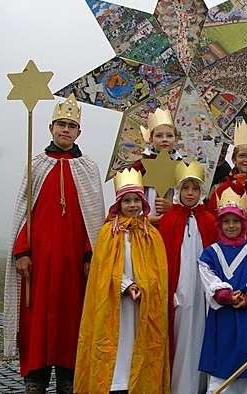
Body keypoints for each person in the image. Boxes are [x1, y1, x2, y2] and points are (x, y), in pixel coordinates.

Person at [3, 94, 105, 394]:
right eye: (61, 124)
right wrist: (22, 251)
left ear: (78, 132)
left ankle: (68, 376)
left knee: (71, 320)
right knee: (36, 320)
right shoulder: (37, 165)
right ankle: (34, 377)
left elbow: (93, 216)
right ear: (50, 128)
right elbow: (24, 212)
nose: (65, 130)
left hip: (75, 264)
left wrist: (90, 254)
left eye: (71, 126)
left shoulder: (88, 169)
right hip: (39, 264)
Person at [74, 168, 169, 393]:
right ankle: (116, 382)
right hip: (115, 301)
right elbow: (105, 269)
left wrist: (145, 286)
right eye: (127, 201)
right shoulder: (110, 232)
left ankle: (139, 381)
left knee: (140, 338)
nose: (133, 205)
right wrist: (127, 285)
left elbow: (158, 269)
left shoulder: (151, 233)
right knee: (115, 341)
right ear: (119, 204)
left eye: (137, 200)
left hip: (142, 302)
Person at [198, 188, 247, 393]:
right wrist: (225, 295)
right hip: (221, 317)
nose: (231, 226)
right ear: (219, 225)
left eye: (236, 221)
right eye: (226, 222)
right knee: (221, 362)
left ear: (244, 223)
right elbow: (209, 280)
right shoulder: (210, 253)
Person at [158, 160, 218, 394]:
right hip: (178, 289)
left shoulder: (210, 221)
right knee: (179, 336)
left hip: (203, 291)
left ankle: (201, 386)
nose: (190, 193)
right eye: (185, 188)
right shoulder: (168, 219)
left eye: (195, 189)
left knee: (202, 335)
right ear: (178, 190)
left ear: (201, 191)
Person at [132, 107, 182, 224]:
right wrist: (142, 217)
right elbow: (127, 199)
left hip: (172, 225)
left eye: (169, 136)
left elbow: (190, 201)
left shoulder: (183, 168)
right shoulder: (139, 168)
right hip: (144, 225)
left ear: (176, 139)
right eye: (159, 136)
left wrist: (173, 207)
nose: (164, 139)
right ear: (150, 139)